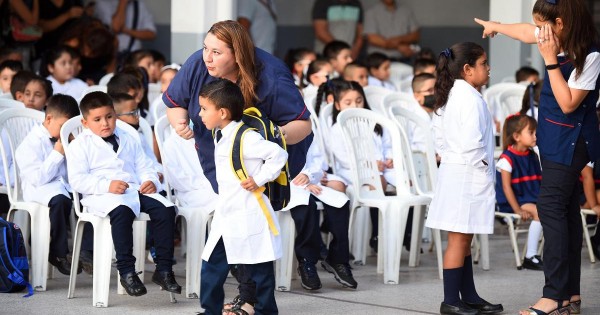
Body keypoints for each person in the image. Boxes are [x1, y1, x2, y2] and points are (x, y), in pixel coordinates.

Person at [162, 20, 312, 315]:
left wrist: (258, 152)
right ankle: (227, 304)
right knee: (223, 247)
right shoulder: (198, 64)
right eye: (206, 48)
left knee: (250, 240)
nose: (207, 57)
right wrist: (179, 122)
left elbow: (302, 125)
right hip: (220, 164)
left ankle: (254, 302)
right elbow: (174, 101)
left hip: (258, 172)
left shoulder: (271, 77)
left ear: (238, 54)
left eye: (216, 52)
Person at [476, 0, 600, 312]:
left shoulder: (590, 55)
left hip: (571, 142)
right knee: (567, 212)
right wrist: (497, 28)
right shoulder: (554, 37)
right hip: (556, 141)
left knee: (550, 208)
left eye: (542, 26)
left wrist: (549, 62)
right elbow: (523, 31)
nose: (538, 33)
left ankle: (553, 296)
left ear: (560, 24)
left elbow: (569, 102)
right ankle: (569, 295)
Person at [67, 91, 181, 297]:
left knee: (165, 209)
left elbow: (144, 165)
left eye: (109, 116)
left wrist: (150, 180)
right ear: (85, 123)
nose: (105, 123)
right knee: (121, 211)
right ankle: (127, 271)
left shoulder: (129, 137)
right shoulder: (79, 145)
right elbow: (77, 180)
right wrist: (106, 185)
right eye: (98, 119)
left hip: (133, 189)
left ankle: (164, 269)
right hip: (101, 196)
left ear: (115, 115)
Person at [424, 42, 503, 315]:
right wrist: (483, 167)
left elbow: (439, 139)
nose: (488, 67)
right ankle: (451, 301)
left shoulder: (453, 94)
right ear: (468, 70)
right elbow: (472, 143)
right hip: (467, 175)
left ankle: (468, 295)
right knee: (458, 240)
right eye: (483, 63)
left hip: (457, 172)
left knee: (464, 238)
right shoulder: (467, 98)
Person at [199, 78, 287, 315]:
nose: (200, 114)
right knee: (212, 266)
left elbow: (278, 154)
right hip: (227, 213)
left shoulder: (246, 138)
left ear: (223, 112)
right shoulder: (221, 134)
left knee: (259, 269)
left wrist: (260, 179)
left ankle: (266, 312)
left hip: (249, 212)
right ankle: (210, 310)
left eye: (204, 109)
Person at [14, 93, 80, 275]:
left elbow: (73, 173)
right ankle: (58, 253)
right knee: (60, 201)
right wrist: (57, 153)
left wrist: (75, 150)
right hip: (38, 190)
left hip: (63, 187)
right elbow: (37, 178)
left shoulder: (66, 139)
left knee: (91, 198)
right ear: (49, 118)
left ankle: (85, 252)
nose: (65, 132)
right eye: (63, 127)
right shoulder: (29, 144)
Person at [495, 114, 544, 271]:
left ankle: (552, 252)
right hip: (514, 201)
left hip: (530, 197)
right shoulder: (507, 159)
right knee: (540, 213)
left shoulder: (532, 155)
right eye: (531, 132)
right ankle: (530, 256)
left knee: (553, 210)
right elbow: (506, 187)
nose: (535, 136)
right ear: (516, 136)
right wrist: (517, 210)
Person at [409, 73, 435, 152]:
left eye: (437, 88)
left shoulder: (439, 110)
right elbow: (418, 145)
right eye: (430, 90)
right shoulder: (412, 116)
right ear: (417, 96)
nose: (435, 93)